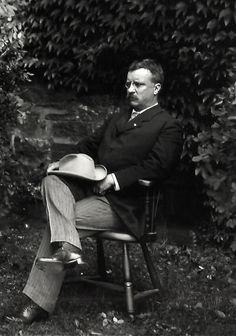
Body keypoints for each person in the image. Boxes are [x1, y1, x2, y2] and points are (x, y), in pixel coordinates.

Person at [15, 58, 183, 323]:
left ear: (156, 88)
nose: (131, 89)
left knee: (60, 223)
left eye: (138, 84)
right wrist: (62, 163)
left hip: (124, 204)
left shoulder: (166, 125)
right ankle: (69, 246)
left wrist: (116, 179)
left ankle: (39, 302)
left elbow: (159, 166)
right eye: (128, 84)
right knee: (51, 182)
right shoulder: (118, 118)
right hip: (91, 189)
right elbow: (88, 145)